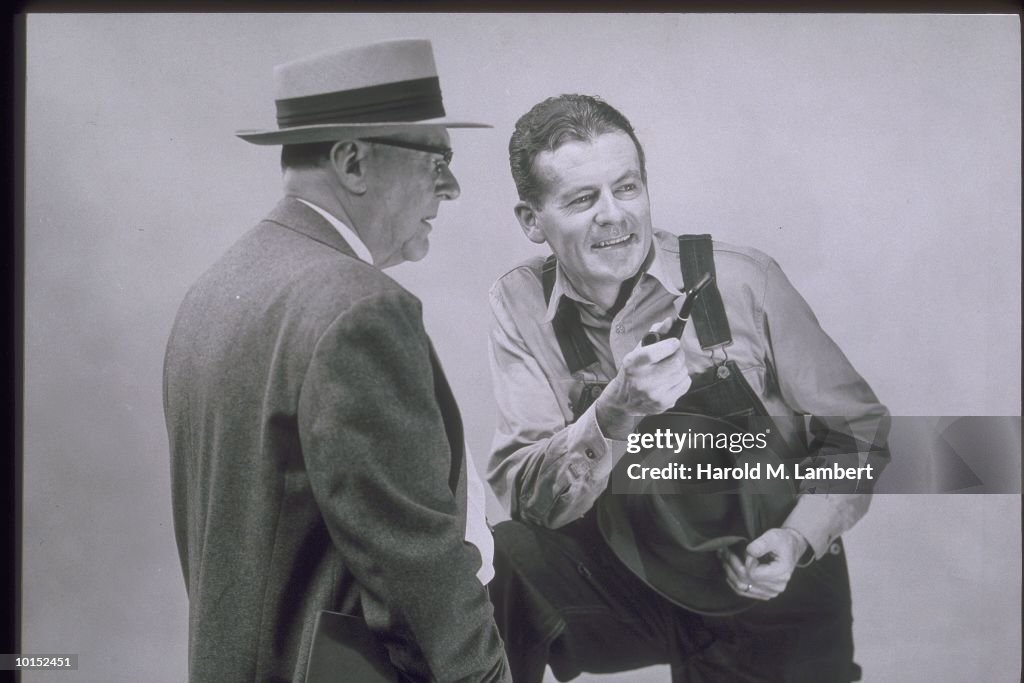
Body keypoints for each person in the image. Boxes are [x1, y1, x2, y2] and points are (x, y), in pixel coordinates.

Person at [486, 94, 890, 682]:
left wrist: (801, 536)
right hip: (635, 581)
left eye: (627, 188)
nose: (613, 216)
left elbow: (860, 432)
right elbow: (529, 499)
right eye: (581, 199)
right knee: (503, 561)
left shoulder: (743, 281)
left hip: (769, 577)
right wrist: (616, 411)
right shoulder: (519, 305)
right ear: (531, 221)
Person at [163, 39, 510, 683]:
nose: (453, 188)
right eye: (436, 161)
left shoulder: (213, 293)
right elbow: (420, 575)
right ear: (353, 163)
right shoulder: (361, 310)